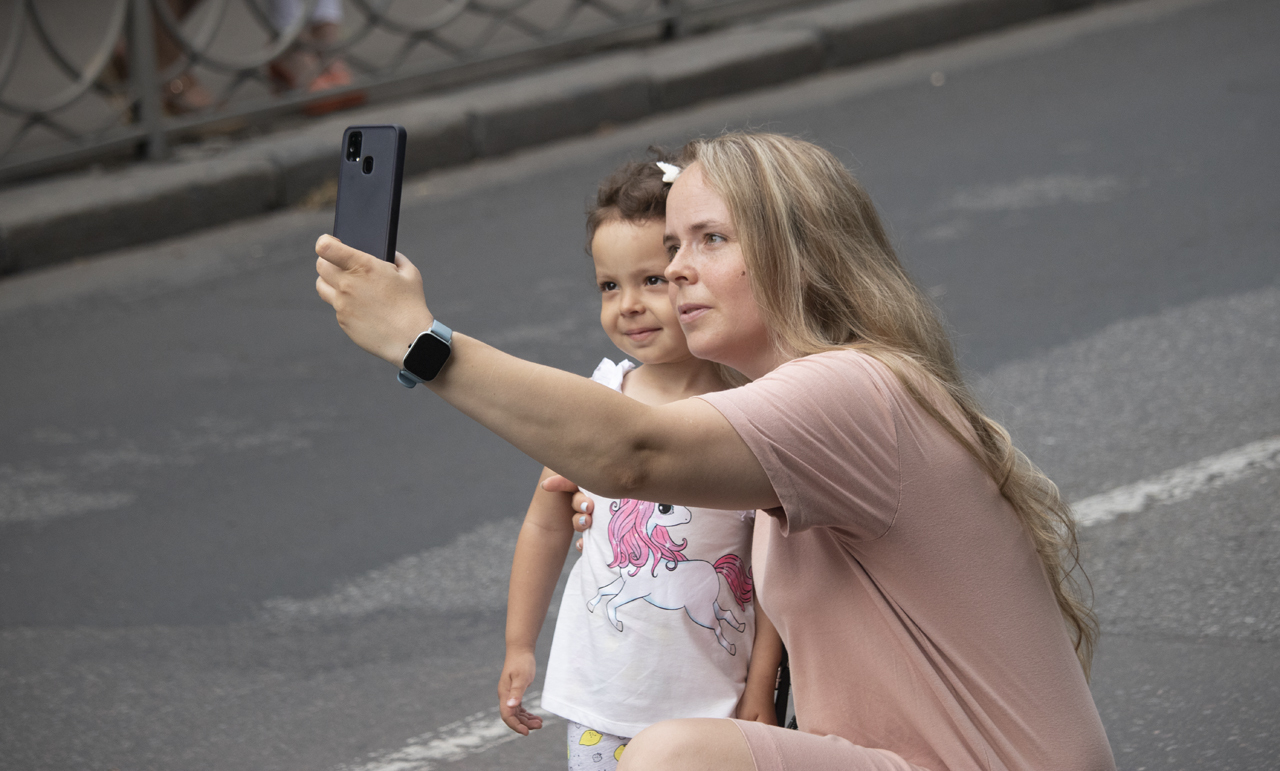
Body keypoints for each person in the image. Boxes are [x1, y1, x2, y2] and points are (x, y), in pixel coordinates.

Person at [314, 132, 1116, 770]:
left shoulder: (851, 390)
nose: (675, 268)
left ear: (799, 252)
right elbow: (643, 471)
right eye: (673, 242)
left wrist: (420, 341)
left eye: (710, 239)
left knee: (671, 757)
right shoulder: (817, 400)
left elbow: (633, 449)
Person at [497, 158, 783, 770]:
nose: (628, 305)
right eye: (609, 286)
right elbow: (546, 522)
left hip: (712, 702)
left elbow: (777, 568)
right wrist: (520, 643)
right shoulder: (598, 401)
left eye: (652, 280)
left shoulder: (748, 411)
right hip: (603, 698)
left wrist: (761, 686)